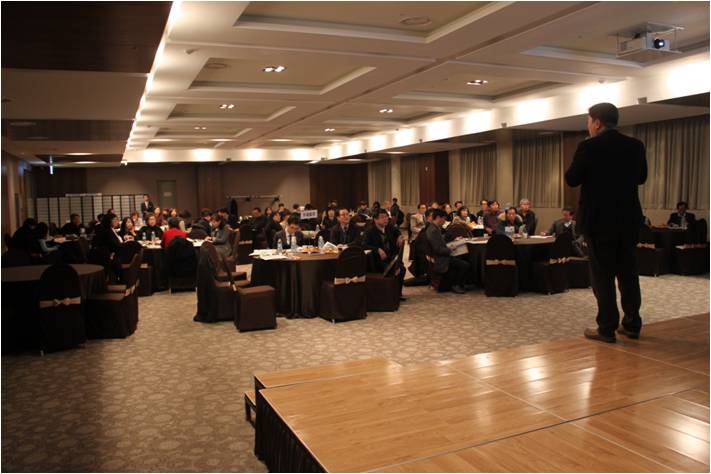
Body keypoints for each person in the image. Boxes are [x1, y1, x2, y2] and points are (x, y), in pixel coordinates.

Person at [565, 102, 647, 343]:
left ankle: (607, 327)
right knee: (629, 273)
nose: (588, 126)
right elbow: (641, 177)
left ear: (597, 122)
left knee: (602, 276)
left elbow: (572, 178)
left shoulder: (589, 146)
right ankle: (632, 324)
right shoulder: (635, 145)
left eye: (589, 121)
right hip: (628, 220)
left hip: (599, 222)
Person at [425, 209, 471, 294]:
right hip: (440, 259)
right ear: (438, 218)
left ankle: (459, 284)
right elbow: (438, 249)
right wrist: (450, 249)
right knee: (465, 264)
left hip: (439, 255)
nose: (444, 222)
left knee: (461, 257)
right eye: (444, 219)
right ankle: (455, 285)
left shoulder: (433, 227)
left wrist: (454, 240)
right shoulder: (433, 230)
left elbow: (440, 241)